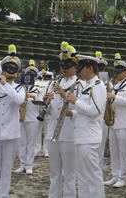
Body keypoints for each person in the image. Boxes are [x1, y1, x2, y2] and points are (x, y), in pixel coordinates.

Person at [56, 53, 106, 198]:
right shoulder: (87, 86)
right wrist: (72, 113)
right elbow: (85, 111)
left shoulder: (98, 86)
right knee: (82, 176)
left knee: (93, 176)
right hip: (81, 137)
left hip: (89, 138)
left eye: (81, 68)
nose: (78, 71)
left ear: (90, 68)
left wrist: (75, 101)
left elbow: (95, 111)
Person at [0, 44, 26, 198]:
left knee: (6, 168)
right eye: (7, 68)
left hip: (11, 133)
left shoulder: (19, 88)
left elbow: (18, 100)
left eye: (13, 69)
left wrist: (4, 83)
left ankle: (3, 195)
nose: (10, 72)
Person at [44, 42, 78, 198]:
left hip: (69, 132)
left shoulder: (79, 84)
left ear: (75, 66)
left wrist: (70, 108)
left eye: (68, 66)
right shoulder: (54, 83)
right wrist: (46, 102)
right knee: (54, 171)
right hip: (52, 131)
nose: (64, 69)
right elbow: (52, 110)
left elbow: (84, 108)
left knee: (70, 172)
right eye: (63, 65)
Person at [103, 57, 126, 188]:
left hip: (124, 123)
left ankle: (122, 177)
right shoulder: (115, 86)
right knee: (114, 151)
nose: (116, 74)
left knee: (123, 152)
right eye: (115, 72)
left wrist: (115, 97)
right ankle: (114, 175)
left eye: (119, 72)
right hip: (113, 122)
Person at [14, 61, 44, 175]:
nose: (30, 76)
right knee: (22, 142)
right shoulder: (20, 88)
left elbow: (42, 102)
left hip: (32, 118)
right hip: (21, 118)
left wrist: (34, 96)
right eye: (28, 74)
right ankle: (22, 164)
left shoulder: (38, 89)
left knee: (31, 143)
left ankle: (29, 165)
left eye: (32, 74)